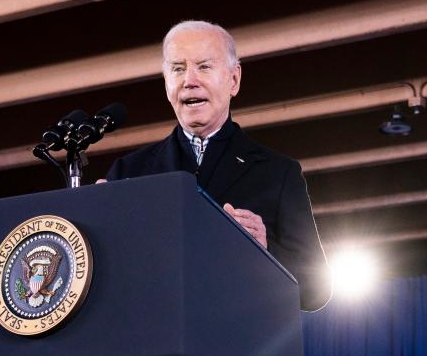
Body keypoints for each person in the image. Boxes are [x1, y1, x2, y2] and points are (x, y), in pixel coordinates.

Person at [104, 20, 330, 312]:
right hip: (154, 346)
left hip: (239, 350)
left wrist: (265, 250)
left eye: (204, 66)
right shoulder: (128, 173)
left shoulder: (278, 173)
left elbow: (316, 291)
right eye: (178, 68)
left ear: (234, 80)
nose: (190, 80)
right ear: (166, 82)